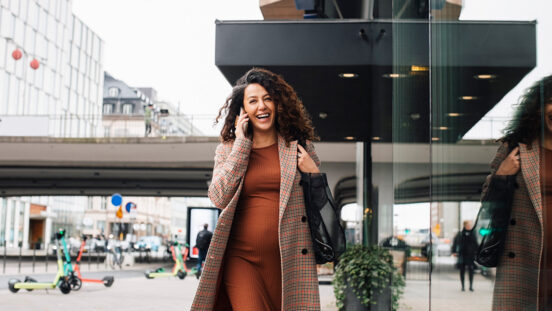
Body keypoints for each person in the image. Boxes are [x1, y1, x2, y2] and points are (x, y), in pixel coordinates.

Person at [191, 68, 321, 311]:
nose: (261, 106)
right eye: (253, 101)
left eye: (267, 98)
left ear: (278, 104)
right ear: (243, 110)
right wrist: (242, 145)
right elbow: (218, 197)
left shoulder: (299, 148)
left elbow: (319, 203)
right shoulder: (229, 149)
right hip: (241, 260)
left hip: (288, 261)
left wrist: (314, 174)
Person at [481, 74, 552, 310]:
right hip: (523, 253)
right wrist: (502, 173)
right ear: (539, 108)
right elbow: (488, 202)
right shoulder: (516, 147)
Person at [451, 220, 478, 292]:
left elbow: (476, 243)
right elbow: (455, 242)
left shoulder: (473, 233)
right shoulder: (460, 234)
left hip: (470, 255)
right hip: (462, 254)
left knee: (471, 270)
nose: (470, 226)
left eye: (471, 225)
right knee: (462, 270)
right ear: (465, 225)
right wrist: (453, 251)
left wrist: (477, 252)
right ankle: (462, 286)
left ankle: (471, 286)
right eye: (469, 225)